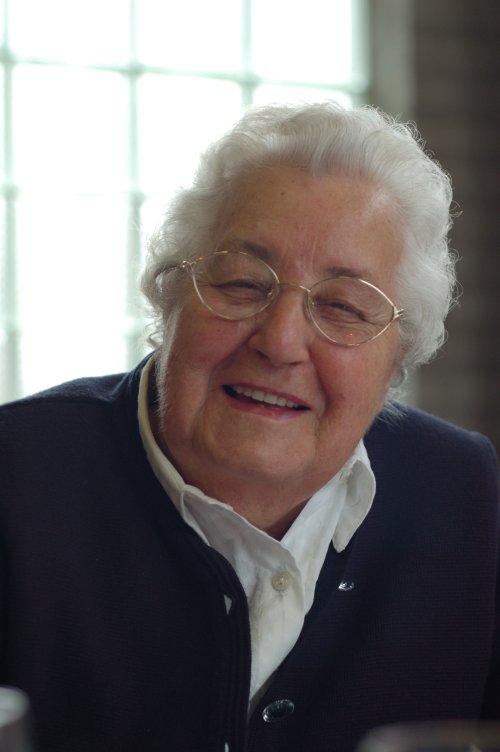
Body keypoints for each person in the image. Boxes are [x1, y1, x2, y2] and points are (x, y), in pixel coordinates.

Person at [0, 102, 498, 752]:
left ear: (397, 358)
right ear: (169, 297)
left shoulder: (468, 498)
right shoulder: (15, 478)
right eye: (242, 283)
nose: (281, 341)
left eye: (343, 307)